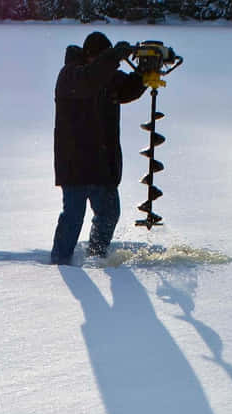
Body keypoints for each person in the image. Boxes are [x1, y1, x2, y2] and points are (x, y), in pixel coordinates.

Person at [50, 31, 147, 265]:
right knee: (73, 217)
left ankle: (96, 255)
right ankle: (60, 262)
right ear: (89, 57)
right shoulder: (71, 76)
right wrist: (114, 56)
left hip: (103, 165)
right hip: (75, 164)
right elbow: (90, 80)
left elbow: (128, 88)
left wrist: (145, 72)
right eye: (104, 60)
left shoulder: (108, 78)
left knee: (109, 214)